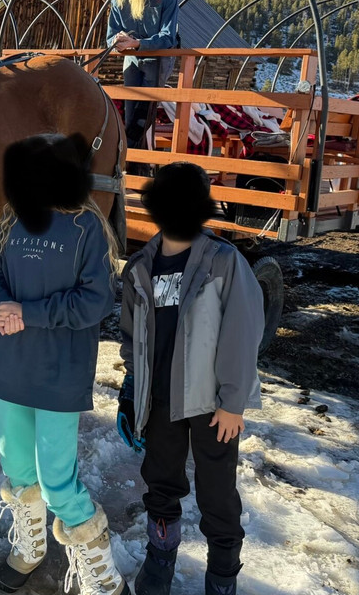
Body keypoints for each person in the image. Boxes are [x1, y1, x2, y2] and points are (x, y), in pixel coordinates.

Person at [0, 133, 129, 595]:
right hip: (10, 369)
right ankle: (30, 549)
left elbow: (96, 302)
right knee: (18, 469)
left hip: (59, 374)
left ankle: (102, 574)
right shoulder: (11, 222)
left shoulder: (88, 227)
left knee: (57, 481)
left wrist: (28, 313)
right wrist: (2, 303)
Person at [116, 162, 264, 595]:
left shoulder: (223, 263)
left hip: (212, 405)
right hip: (159, 402)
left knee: (217, 496)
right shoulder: (140, 267)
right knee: (161, 484)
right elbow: (130, 337)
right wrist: (132, 391)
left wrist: (234, 401)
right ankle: (160, 559)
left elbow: (242, 332)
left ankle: (222, 577)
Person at [106, 0, 179, 150]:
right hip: (131, 58)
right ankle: (135, 164)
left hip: (158, 58)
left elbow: (168, 38)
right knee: (130, 114)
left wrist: (138, 43)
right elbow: (110, 36)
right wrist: (116, 41)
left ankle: (137, 162)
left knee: (142, 114)